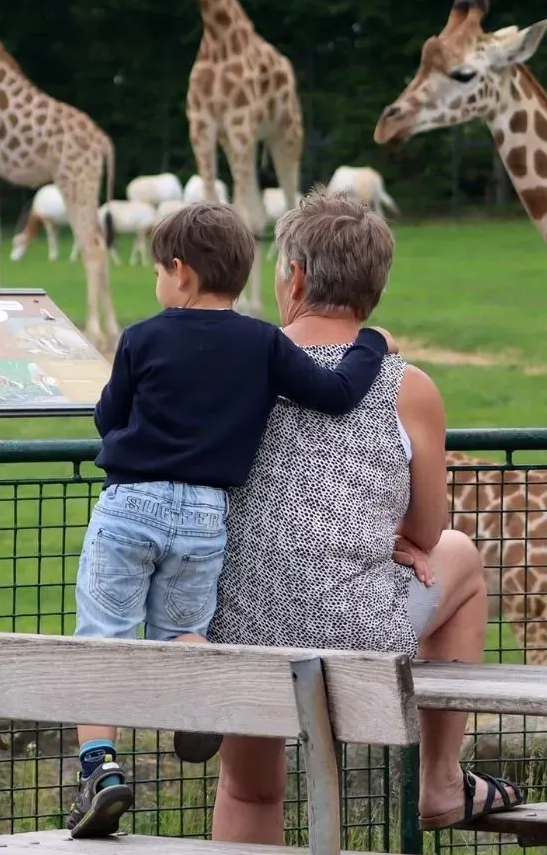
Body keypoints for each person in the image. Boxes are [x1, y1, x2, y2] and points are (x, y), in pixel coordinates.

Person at [200, 190, 522, 846]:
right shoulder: (410, 387)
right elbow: (427, 532)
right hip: (358, 636)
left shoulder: (234, 367)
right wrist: (399, 540)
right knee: (460, 553)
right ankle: (438, 777)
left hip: (237, 624)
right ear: (375, 290)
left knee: (247, 789)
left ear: (292, 276)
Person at [66, 201, 393, 839]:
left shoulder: (141, 337)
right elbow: (335, 395)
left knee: (101, 634)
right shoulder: (262, 340)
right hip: (205, 514)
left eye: (159, 271)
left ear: (180, 274)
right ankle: (202, 694)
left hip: (132, 504)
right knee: (181, 629)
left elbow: (108, 419)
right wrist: (370, 344)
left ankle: (100, 769)